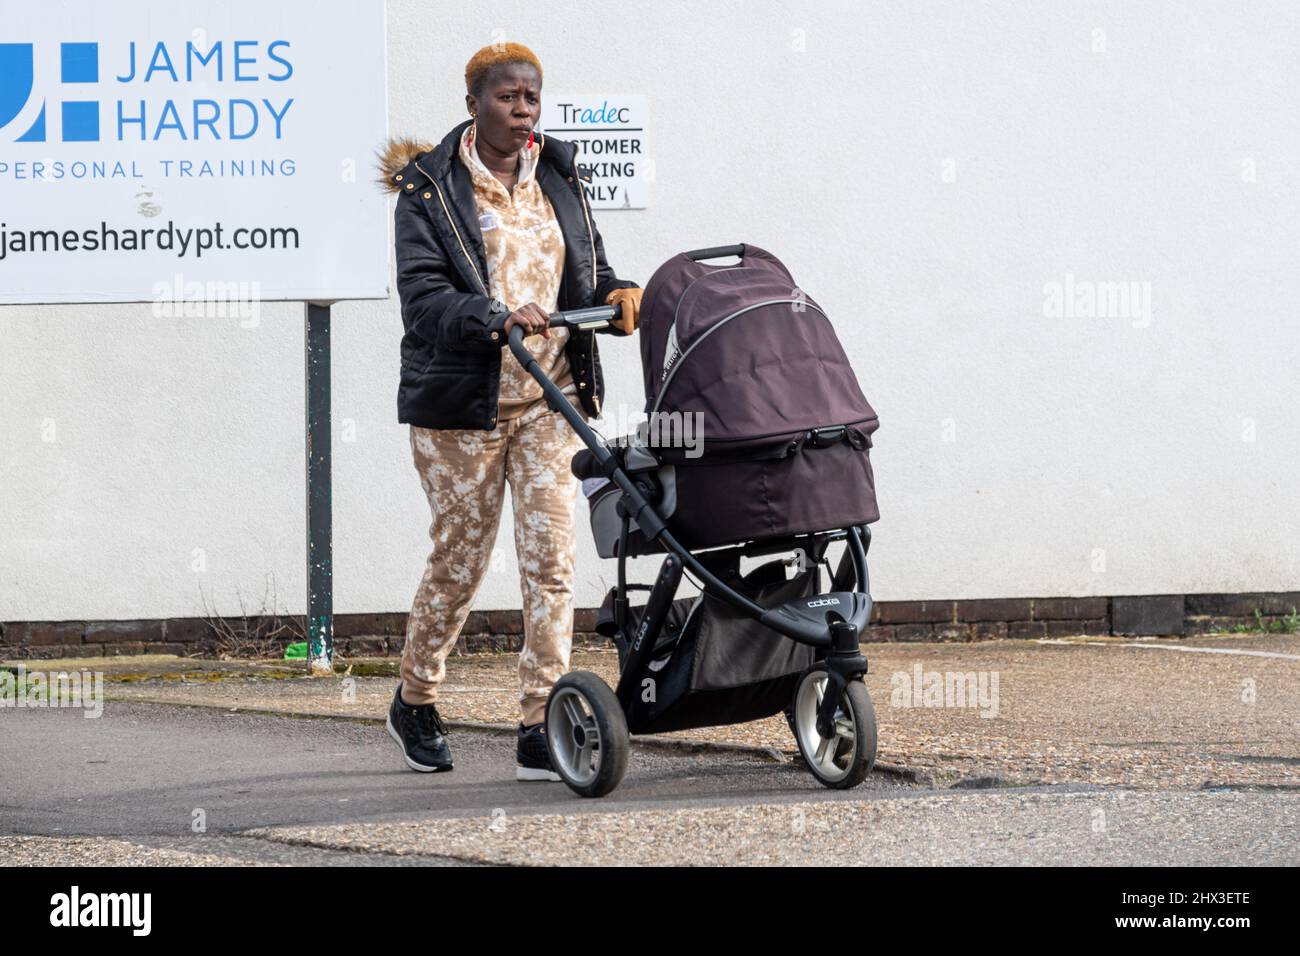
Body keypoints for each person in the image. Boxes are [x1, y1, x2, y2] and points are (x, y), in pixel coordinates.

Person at [377, 42, 642, 780]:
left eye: (531, 97)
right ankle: (416, 697)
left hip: (549, 400)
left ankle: (539, 719)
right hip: (462, 406)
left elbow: (588, 267)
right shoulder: (428, 190)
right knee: (460, 561)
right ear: (472, 104)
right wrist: (494, 317)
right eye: (507, 97)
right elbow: (425, 300)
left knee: (552, 562)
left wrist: (619, 294)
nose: (522, 109)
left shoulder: (558, 173)